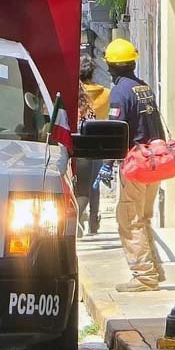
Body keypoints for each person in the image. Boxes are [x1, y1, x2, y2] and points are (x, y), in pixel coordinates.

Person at [105, 38, 167, 293]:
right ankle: (155, 269)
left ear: (111, 66)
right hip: (155, 161)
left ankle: (144, 276)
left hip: (136, 163)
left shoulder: (120, 92)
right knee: (143, 218)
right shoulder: (144, 88)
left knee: (129, 219)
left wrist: (107, 163)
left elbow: (116, 131)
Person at [76, 55, 109, 235]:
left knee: (79, 185)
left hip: (76, 144)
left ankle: (75, 217)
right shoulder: (106, 94)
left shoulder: (74, 93)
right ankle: (93, 222)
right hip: (97, 145)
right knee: (94, 185)